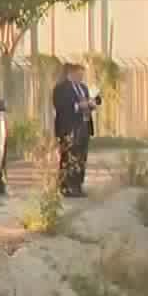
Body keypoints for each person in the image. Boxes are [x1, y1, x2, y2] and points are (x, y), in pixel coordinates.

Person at [50, 63, 91, 197]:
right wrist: (78, 106)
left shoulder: (83, 88)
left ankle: (78, 185)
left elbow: (88, 102)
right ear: (71, 73)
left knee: (81, 157)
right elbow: (60, 107)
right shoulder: (61, 88)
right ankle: (65, 186)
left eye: (82, 75)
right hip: (68, 128)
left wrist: (91, 104)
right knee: (67, 157)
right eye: (79, 74)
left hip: (83, 126)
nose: (81, 77)